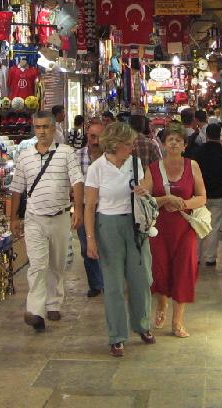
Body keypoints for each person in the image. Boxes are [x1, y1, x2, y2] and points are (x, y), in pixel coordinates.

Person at [84, 123, 155, 357]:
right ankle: (117, 335)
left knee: (141, 277)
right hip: (108, 225)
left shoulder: (135, 164)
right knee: (113, 283)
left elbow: (147, 189)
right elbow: (90, 206)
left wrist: (144, 192)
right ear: (115, 145)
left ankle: (142, 324)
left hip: (134, 224)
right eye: (128, 144)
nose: (132, 147)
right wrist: (91, 239)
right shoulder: (97, 168)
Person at [11, 111, 83, 332]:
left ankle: (54, 302)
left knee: (57, 264)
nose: (41, 131)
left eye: (45, 127)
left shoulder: (66, 153)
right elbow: (16, 188)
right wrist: (13, 217)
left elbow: (77, 180)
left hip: (60, 216)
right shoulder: (24, 156)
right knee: (38, 266)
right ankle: (36, 311)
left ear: (53, 129)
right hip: (34, 219)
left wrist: (78, 208)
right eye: (38, 127)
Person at [141, 122, 207, 338]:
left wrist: (184, 204)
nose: (174, 143)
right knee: (159, 270)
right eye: (170, 139)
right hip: (159, 230)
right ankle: (161, 303)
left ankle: (178, 321)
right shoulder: (152, 169)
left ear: (185, 145)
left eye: (179, 140)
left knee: (184, 271)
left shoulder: (193, 166)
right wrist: (165, 199)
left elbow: (202, 197)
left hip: (185, 228)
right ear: (163, 143)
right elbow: (144, 197)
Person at [193, 123, 222, 266]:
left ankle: (197, 257)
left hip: (199, 195)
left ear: (207, 135)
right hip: (218, 195)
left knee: (198, 224)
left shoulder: (198, 153)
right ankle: (210, 257)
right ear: (220, 135)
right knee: (214, 226)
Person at [76, 120, 105, 297]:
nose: (95, 141)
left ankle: (108, 281)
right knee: (87, 246)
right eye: (92, 136)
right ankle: (95, 284)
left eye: (99, 137)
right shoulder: (76, 157)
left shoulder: (111, 158)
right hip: (84, 207)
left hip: (106, 209)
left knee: (107, 247)